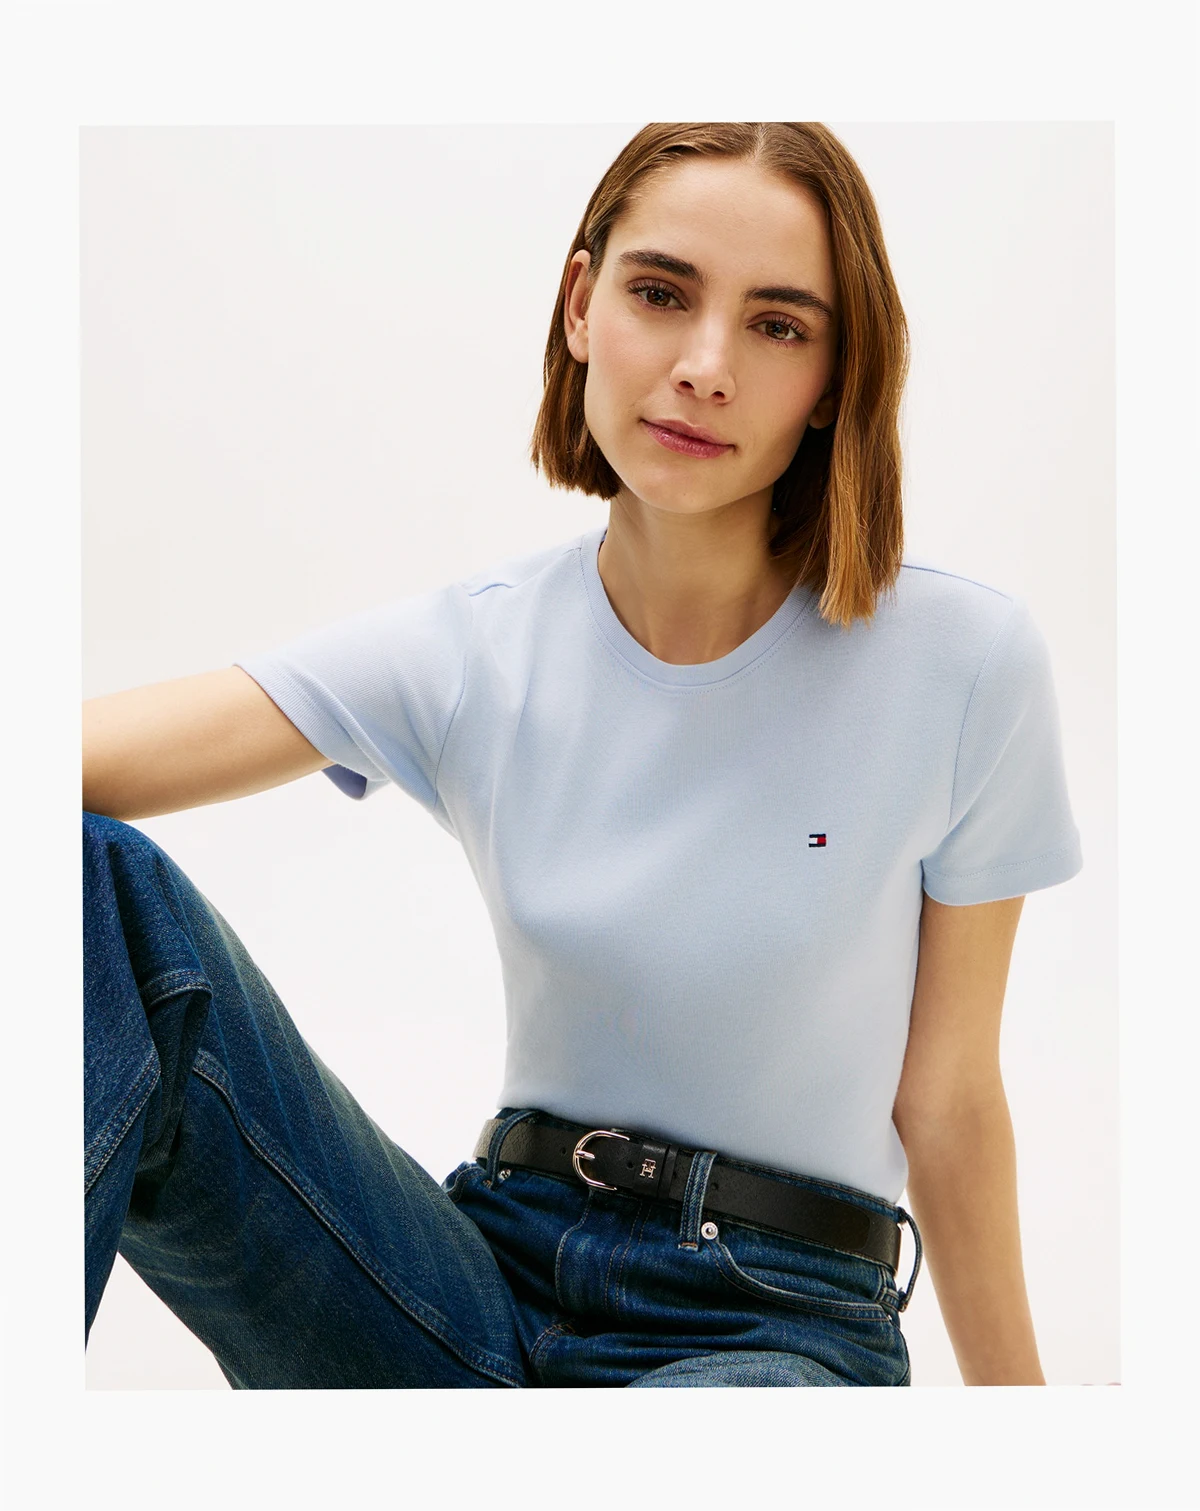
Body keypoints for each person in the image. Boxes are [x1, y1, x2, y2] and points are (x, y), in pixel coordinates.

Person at [82, 121, 1083, 1389]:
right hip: (477, 1288)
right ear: (580, 306)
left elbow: (947, 1099)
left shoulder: (963, 662)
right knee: (87, 889)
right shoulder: (479, 645)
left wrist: (1029, 1438)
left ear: (836, 377)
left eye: (779, 325)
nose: (704, 367)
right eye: (661, 294)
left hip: (775, 1328)